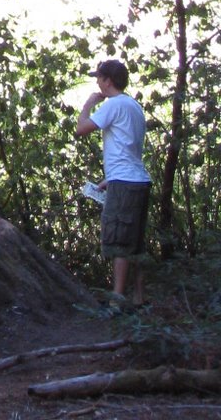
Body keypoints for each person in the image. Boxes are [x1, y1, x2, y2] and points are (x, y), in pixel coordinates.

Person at [75, 58, 151, 307]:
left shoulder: (113, 105)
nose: (97, 82)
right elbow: (129, 146)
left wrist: (88, 104)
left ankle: (117, 301)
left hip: (125, 183)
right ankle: (139, 298)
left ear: (108, 81)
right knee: (135, 241)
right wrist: (111, 178)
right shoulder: (133, 106)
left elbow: (82, 128)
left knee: (118, 239)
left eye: (99, 77)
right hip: (138, 180)